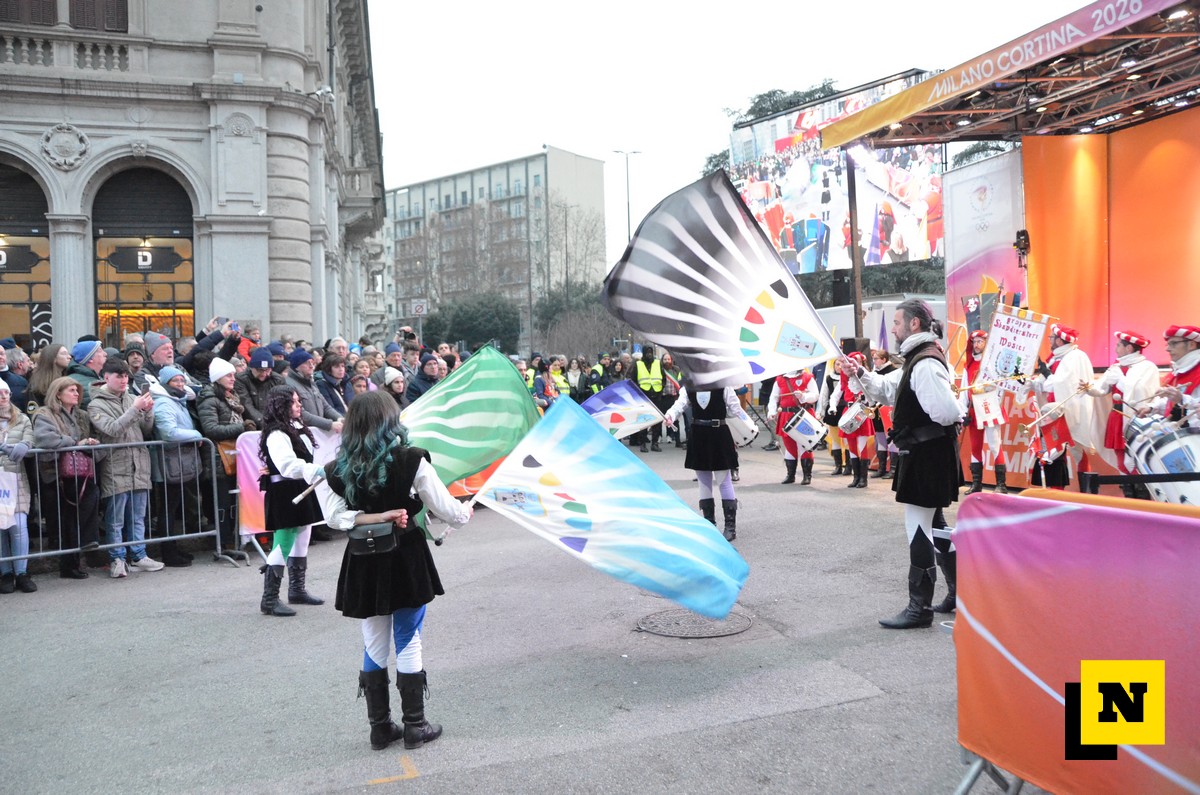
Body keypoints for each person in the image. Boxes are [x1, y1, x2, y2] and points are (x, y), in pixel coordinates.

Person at [318, 391, 473, 751]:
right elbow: (449, 510)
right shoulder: (412, 459)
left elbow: (335, 518)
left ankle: (380, 729)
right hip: (405, 555)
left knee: (374, 640)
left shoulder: (334, 469)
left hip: (363, 558)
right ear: (391, 421)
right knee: (408, 637)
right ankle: (415, 726)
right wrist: (463, 513)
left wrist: (372, 516)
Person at [845, 299, 962, 629]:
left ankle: (919, 608)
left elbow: (946, 412)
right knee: (934, 523)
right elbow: (887, 388)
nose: (893, 328)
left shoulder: (925, 363)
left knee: (919, 528)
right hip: (927, 454)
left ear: (914, 324)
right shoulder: (918, 358)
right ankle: (957, 595)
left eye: (896, 322)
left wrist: (918, 425)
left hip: (927, 456)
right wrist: (860, 373)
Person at [87, 358, 163, 578]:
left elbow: (146, 429)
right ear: (106, 377)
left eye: (126, 376)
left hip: (138, 463)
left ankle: (139, 555)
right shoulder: (96, 404)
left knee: (138, 516)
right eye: (119, 376)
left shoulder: (132, 398)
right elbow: (112, 429)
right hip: (115, 464)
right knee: (115, 519)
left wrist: (147, 411)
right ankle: (117, 559)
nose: (123, 380)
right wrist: (135, 409)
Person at [257, 385, 327, 617]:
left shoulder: (295, 427)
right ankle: (269, 599)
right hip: (284, 491)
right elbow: (287, 465)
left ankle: (297, 590)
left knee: (303, 535)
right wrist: (316, 470)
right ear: (282, 405)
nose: (299, 405)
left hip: (300, 487)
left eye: (299, 401)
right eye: (294, 402)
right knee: (283, 542)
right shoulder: (277, 433)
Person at [32, 377, 106, 579]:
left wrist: (91, 444)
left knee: (84, 506)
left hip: (80, 472)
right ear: (58, 393)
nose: (76, 394)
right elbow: (46, 439)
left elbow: (96, 438)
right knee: (66, 520)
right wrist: (75, 442)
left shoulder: (81, 415)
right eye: (71, 390)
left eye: (77, 390)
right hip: (55, 474)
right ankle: (70, 563)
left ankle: (84, 547)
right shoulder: (44, 414)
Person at [664, 384, 746, 541]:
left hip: (718, 433)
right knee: (704, 482)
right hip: (699, 434)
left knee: (723, 481)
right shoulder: (689, 387)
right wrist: (670, 415)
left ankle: (730, 527)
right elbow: (679, 405)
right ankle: (709, 524)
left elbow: (736, 409)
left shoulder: (724, 385)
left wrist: (723, 413)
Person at [1032, 324, 1108, 487]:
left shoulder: (1075, 357)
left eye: (1052, 338)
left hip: (1068, 411)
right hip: (1052, 411)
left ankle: (1085, 492)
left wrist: (1047, 375)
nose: (1050, 341)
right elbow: (1044, 384)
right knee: (1055, 452)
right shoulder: (1055, 358)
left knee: (1074, 451)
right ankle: (1056, 492)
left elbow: (1061, 384)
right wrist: (1025, 380)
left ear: (1060, 341)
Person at [1084, 331, 1160, 490]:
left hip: (1135, 418)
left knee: (1133, 460)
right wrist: (1088, 388)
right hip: (1117, 416)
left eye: (1119, 345)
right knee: (1121, 459)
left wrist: (1120, 380)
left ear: (1129, 348)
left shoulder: (1147, 367)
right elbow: (1101, 388)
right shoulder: (1116, 367)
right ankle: (1128, 492)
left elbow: (1142, 394)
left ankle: (1141, 493)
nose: (1115, 348)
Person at [197, 357, 255, 557]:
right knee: (222, 502)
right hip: (218, 458)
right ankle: (224, 542)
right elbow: (211, 429)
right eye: (228, 375)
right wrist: (241, 427)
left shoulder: (231, 397)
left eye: (233, 374)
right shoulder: (209, 399)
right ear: (217, 377)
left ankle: (234, 539)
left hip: (234, 455)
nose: (233, 378)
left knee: (233, 502)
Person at [958, 331, 1008, 494]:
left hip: (989, 407)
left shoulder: (994, 364)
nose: (977, 345)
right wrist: (963, 413)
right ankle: (976, 484)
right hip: (974, 410)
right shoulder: (968, 365)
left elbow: (999, 385)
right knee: (975, 447)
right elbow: (964, 390)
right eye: (975, 342)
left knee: (995, 445)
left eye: (980, 341)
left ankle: (1001, 484)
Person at [0, 379, 36, 593]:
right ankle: (5, 572)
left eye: (6, 393)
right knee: (1, 528)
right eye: (0, 393)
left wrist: (24, 444)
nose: (4, 397)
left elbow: (30, 438)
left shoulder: (21, 418)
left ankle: (21, 572)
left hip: (16, 478)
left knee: (19, 526)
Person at [766, 368, 818, 485]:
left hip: (803, 414)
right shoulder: (780, 379)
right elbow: (773, 397)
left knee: (805, 444)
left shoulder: (808, 377)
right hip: (786, 415)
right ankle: (790, 475)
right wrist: (772, 411)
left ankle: (807, 476)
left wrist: (803, 396)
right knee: (789, 445)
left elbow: (815, 395)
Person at [1146, 324, 1200, 424]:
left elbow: (1195, 410)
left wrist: (1181, 398)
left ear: (1192, 345)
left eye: (1174, 343)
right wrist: (1152, 408)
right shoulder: (1178, 371)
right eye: (1168, 344)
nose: (1167, 349)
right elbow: (1172, 406)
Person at [837, 351, 876, 489]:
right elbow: (836, 394)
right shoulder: (845, 379)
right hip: (848, 412)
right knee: (852, 446)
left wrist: (866, 400)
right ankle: (856, 477)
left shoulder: (867, 377)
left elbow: (873, 396)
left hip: (861, 413)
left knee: (862, 446)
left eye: (857, 361)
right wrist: (831, 405)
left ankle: (863, 479)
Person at [285, 349, 344, 433]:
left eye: (312, 362)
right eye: (307, 363)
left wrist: (339, 418)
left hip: (317, 432)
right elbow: (301, 413)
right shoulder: (289, 385)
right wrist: (329, 424)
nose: (311, 366)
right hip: (302, 432)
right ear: (297, 367)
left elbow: (325, 406)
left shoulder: (311, 383)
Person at [234, 346, 285, 430]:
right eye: (260, 370)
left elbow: (282, 404)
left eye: (267, 370)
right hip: (252, 426)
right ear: (252, 367)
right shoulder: (241, 379)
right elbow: (246, 404)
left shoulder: (278, 380)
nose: (264, 374)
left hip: (275, 424)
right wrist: (265, 424)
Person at [816, 360, 849, 476]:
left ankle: (848, 466)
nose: (839, 367)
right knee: (835, 439)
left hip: (846, 410)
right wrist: (821, 411)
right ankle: (838, 466)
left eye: (841, 364)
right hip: (833, 411)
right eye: (837, 364)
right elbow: (824, 395)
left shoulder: (849, 377)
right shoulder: (829, 378)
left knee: (847, 439)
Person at [870, 350, 899, 479]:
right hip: (876, 410)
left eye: (876, 359)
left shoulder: (894, 371)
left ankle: (893, 469)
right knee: (880, 437)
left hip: (888, 409)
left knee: (891, 437)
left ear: (884, 359)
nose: (874, 361)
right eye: (873, 359)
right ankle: (881, 468)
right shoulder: (874, 373)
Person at [632, 345, 664, 453]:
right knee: (643, 420)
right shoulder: (638, 364)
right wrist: (639, 392)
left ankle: (655, 443)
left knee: (657, 420)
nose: (649, 354)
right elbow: (633, 380)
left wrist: (660, 390)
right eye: (647, 352)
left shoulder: (658, 363)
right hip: (643, 396)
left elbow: (663, 378)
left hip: (656, 394)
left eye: (651, 352)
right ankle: (642, 443)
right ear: (644, 353)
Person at [26, 343, 71, 410]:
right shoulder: (37, 384)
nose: (69, 357)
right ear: (53, 358)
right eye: (64, 354)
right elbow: (33, 410)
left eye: (68, 353)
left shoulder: (68, 378)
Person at [65, 340, 108, 409]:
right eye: (100, 351)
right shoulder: (72, 382)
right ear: (90, 358)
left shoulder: (101, 377)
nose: (105, 353)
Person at [660, 353, 686, 448]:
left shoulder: (676, 370)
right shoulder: (660, 370)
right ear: (662, 360)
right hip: (662, 397)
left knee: (674, 419)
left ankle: (677, 440)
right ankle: (659, 437)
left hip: (673, 396)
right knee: (661, 418)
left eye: (668, 359)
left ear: (671, 360)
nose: (667, 361)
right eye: (665, 359)